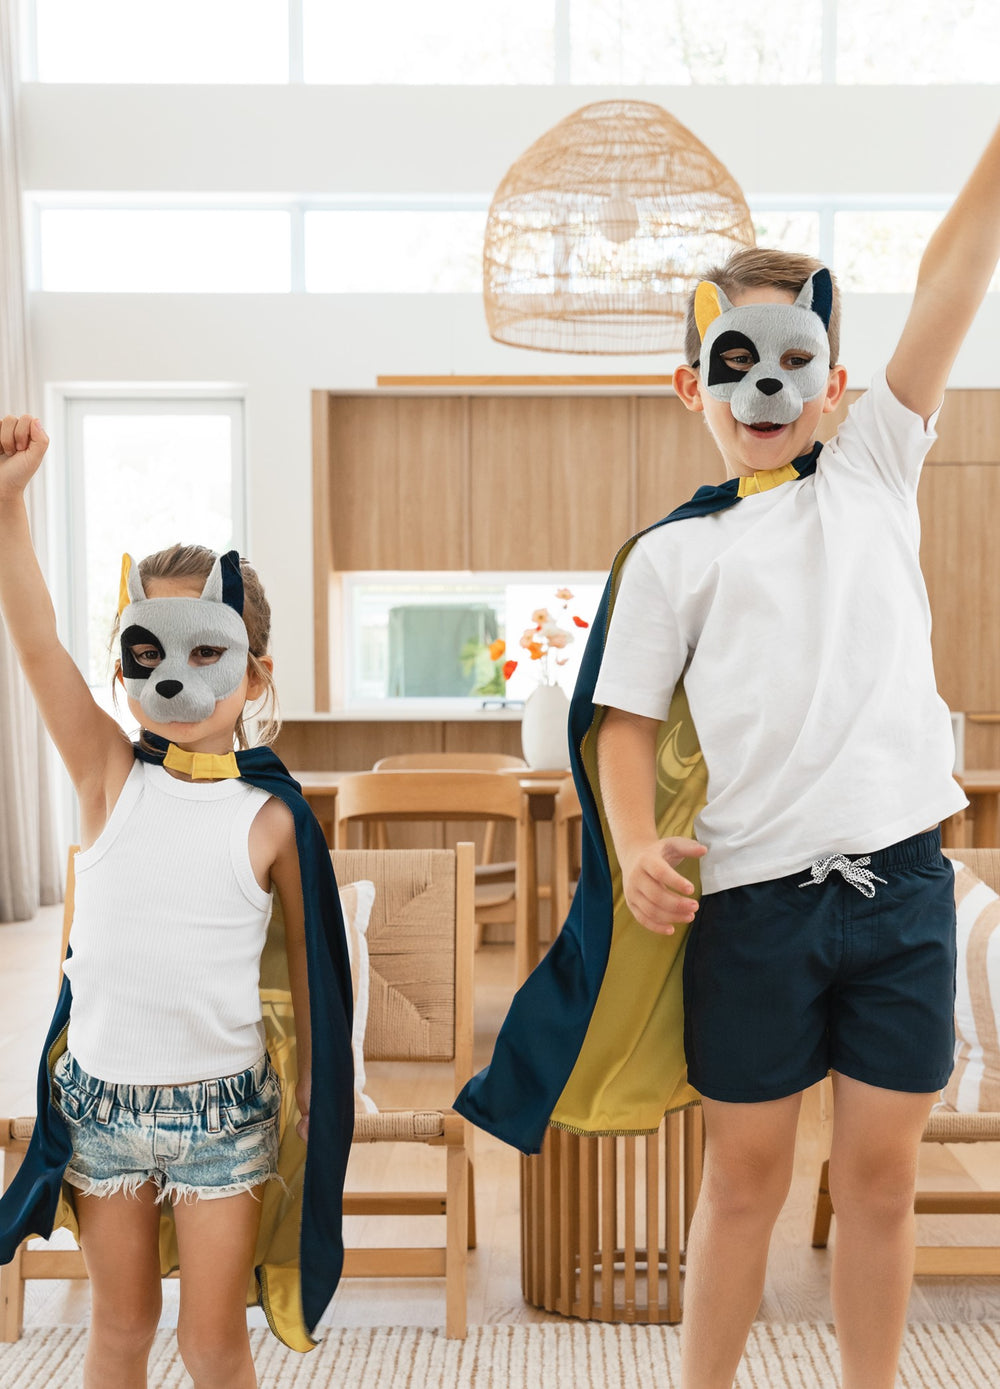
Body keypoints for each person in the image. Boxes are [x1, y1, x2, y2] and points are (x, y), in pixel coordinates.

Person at [457, 122, 1000, 1389]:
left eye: (792, 361)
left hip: (902, 890)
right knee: (746, 1176)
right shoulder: (671, 557)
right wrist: (638, 843)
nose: (765, 387)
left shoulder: (872, 469)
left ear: (836, 381)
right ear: (689, 385)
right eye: (733, 361)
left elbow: (953, 274)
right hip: (754, 906)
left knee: (878, 1178)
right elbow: (624, 727)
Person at [0, 417, 355, 1387]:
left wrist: (322, 1098)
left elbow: (319, 971)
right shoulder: (109, 775)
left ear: (254, 672)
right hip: (103, 1105)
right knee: (118, 1329)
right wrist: (8, 505)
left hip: (223, 1117)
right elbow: (36, 649)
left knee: (211, 1342)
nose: (173, 676)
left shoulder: (273, 816)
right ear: (122, 667)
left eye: (207, 654)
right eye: (149, 651)